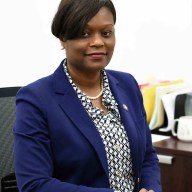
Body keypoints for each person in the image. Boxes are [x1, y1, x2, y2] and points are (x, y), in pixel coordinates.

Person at [13, 0, 162, 192]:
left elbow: (148, 155)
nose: (98, 42)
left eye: (106, 33)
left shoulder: (127, 84)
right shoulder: (35, 99)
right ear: (62, 38)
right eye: (84, 33)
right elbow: (34, 184)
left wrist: (151, 189)